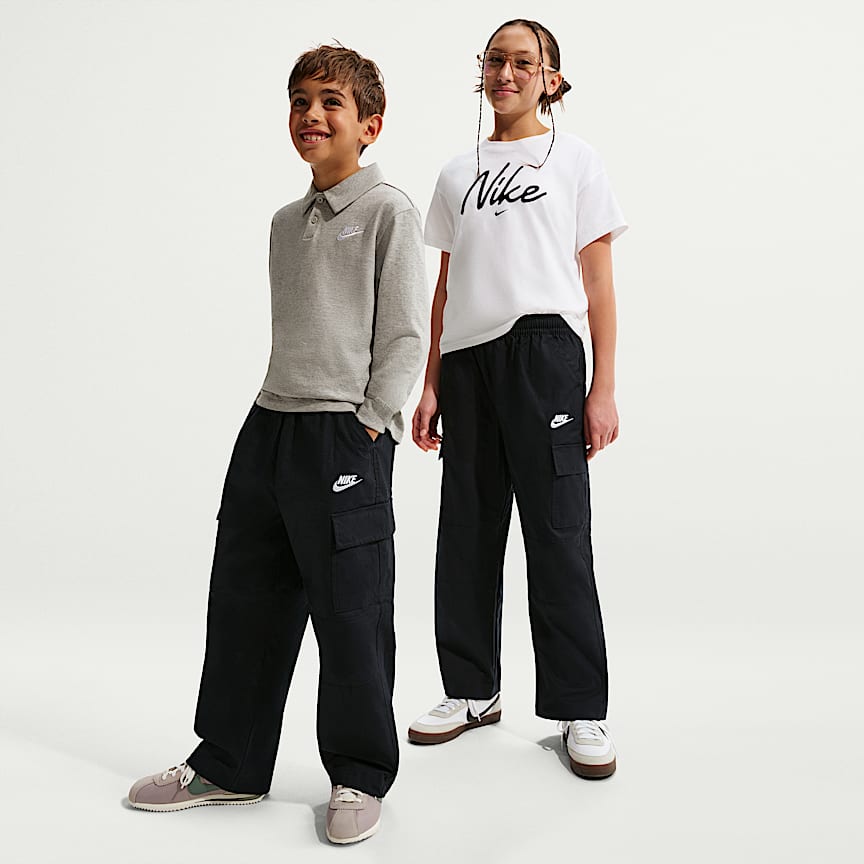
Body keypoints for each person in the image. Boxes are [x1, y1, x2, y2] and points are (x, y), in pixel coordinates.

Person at [126, 44, 428, 845]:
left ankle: (360, 773)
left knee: (351, 612)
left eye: (330, 102)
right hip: (268, 424)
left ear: (370, 125)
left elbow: (404, 334)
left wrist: (371, 422)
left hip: (344, 433)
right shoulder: (284, 224)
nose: (310, 115)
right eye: (299, 101)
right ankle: (229, 763)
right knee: (245, 602)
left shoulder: (388, 211)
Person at [408, 18, 627, 780]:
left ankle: (580, 707)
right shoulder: (455, 174)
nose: (506, 72)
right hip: (467, 361)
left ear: (551, 79)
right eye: (495, 60)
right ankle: (472, 690)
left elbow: (598, 281)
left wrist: (602, 385)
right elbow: (444, 287)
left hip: (545, 352)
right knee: (466, 530)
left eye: (523, 62)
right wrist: (431, 382)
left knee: (558, 531)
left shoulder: (576, 160)